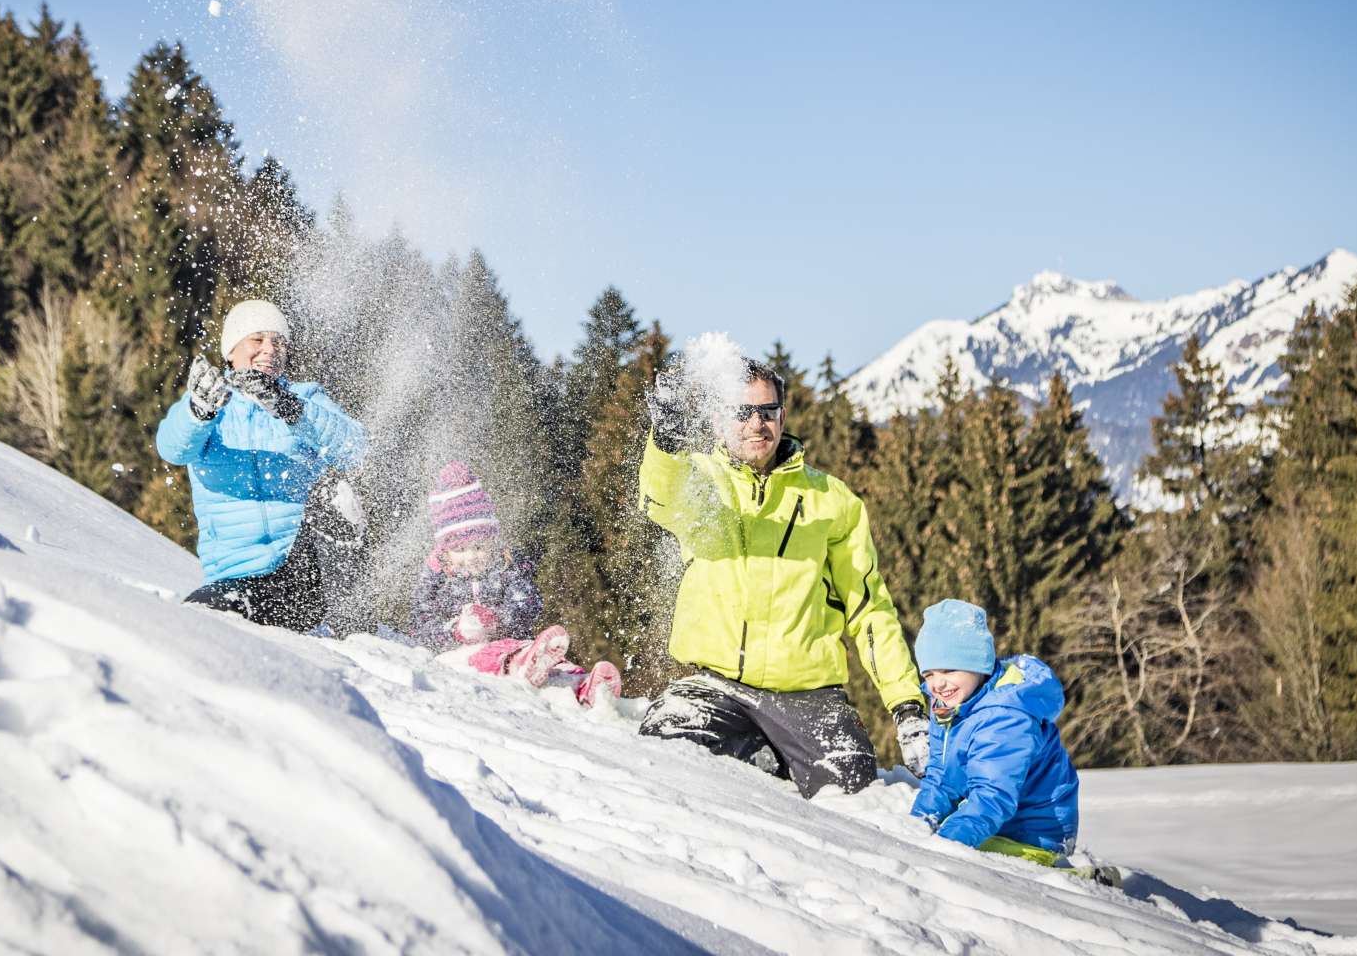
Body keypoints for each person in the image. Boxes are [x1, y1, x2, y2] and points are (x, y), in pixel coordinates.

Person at [636, 356, 929, 797]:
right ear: (719, 418)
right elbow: (661, 497)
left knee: (856, 795)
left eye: (767, 412)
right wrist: (667, 442)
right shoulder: (702, 479)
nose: (757, 424)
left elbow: (869, 609)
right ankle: (760, 755)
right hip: (715, 687)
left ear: (782, 416)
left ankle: (769, 756)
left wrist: (906, 703)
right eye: (742, 412)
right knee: (664, 759)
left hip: (810, 697)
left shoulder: (832, 501)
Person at [155, 299, 368, 632]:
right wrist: (199, 412)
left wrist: (289, 408)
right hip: (236, 576)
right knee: (195, 625)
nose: (270, 349)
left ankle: (343, 617)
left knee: (333, 495)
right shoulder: (211, 406)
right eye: (257, 339)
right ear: (231, 351)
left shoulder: (304, 397)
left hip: (303, 570)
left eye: (278, 341)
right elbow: (172, 449)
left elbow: (355, 449)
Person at [411, 461, 621, 707]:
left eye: (479, 546)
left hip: (517, 644)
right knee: (495, 656)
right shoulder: (436, 579)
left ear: (492, 541)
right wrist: (456, 630)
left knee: (547, 661)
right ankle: (524, 666)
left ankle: (586, 685)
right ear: (444, 550)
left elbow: (527, 603)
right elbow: (420, 623)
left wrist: (498, 620)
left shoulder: (507, 567)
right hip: (459, 658)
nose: (471, 556)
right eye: (460, 549)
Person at [907, 599, 1081, 867]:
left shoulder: (1004, 717)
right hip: (998, 821)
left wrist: (943, 846)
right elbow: (942, 778)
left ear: (979, 664)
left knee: (963, 859)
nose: (937, 684)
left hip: (1031, 834)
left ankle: (1067, 875)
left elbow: (992, 796)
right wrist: (916, 823)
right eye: (929, 674)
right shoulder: (951, 706)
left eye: (949, 670)